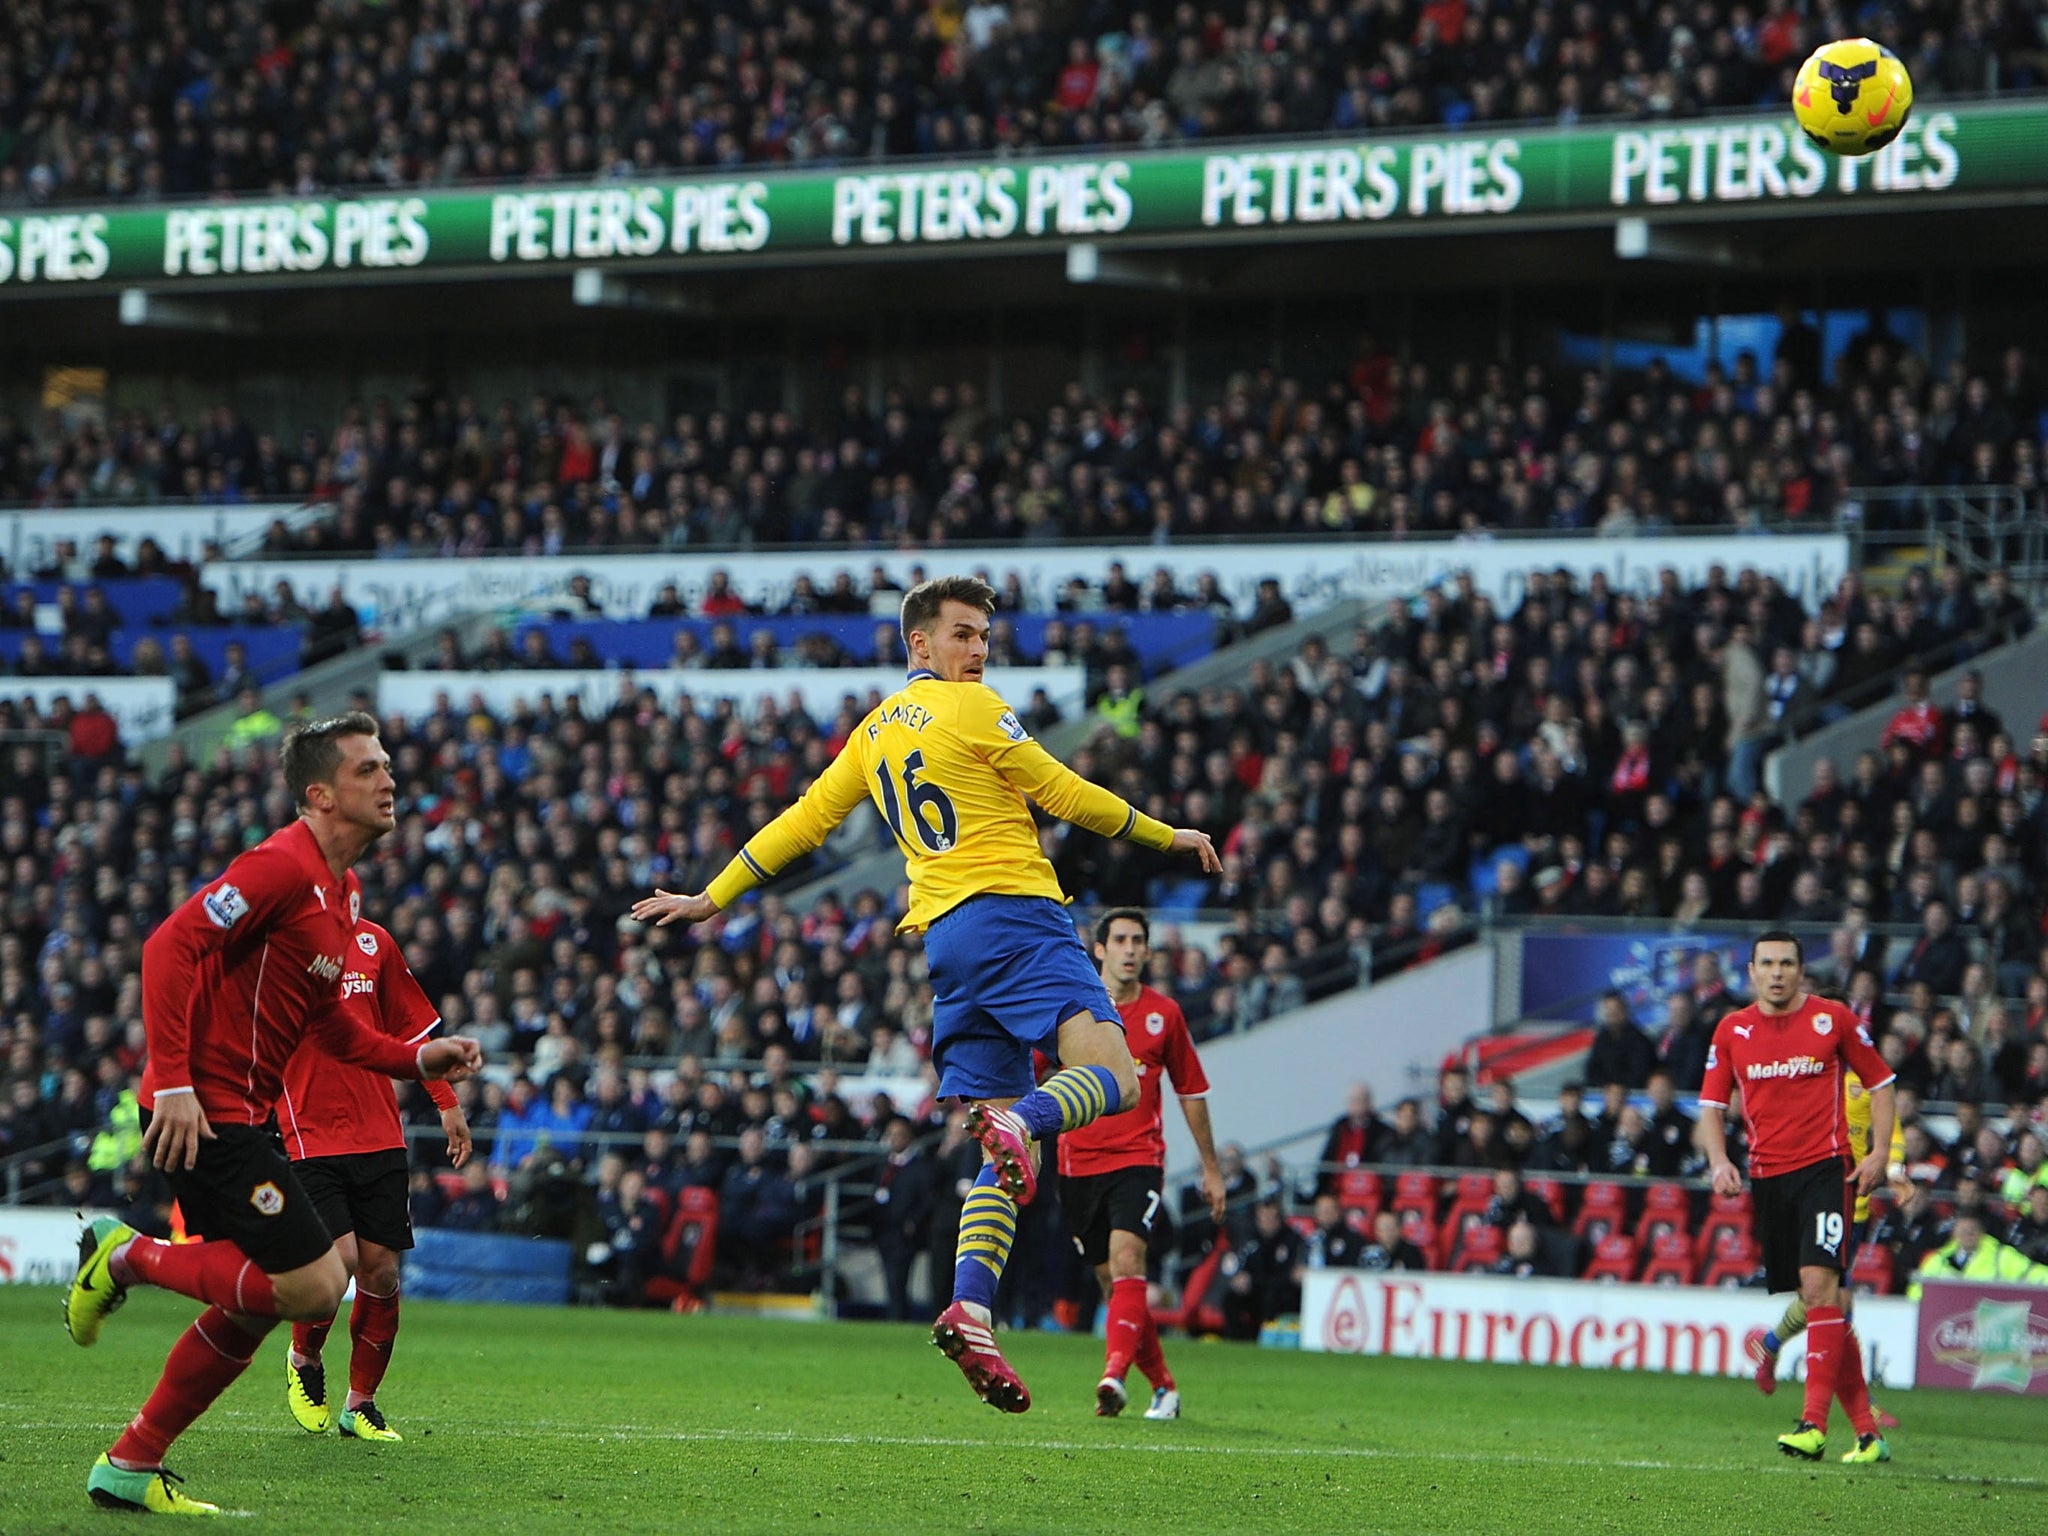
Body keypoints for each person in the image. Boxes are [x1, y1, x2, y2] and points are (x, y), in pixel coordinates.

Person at [632, 576, 1220, 1412]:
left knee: (1004, 1165)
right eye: (962, 635)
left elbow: (803, 821)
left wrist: (712, 895)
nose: (978, 650)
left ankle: (971, 1308)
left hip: (946, 947)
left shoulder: (873, 734)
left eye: (984, 636)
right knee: (1116, 1078)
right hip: (1016, 914)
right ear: (919, 645)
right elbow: (1063, 792)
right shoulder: (975, 711)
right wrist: (1165, 833)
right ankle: (1023, 1122)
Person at [62, 714, 483, 1515]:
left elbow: (328, 1025)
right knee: (318, 1284)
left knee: (262, 1298)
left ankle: (129, 1465)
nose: (389, 779)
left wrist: (413, 1058)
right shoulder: (280, 868)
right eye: (367, 769)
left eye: (388, 764)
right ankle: (124, 1257)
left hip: (237, 1113)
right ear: (320, 794)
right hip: (204, 1110)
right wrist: (175, 1080)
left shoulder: (342, 892)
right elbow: (167, 947)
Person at [276, 915, 476, 1443]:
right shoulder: (277, 943)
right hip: (309, 1134)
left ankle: (360, 1404)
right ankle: (304, 1357)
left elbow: (412, 1032)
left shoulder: (374, 941)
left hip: (379, 1135)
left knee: (382, 1273)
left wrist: (447, 1103)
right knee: (335, 1266)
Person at [1699, 931, 1895, 1465]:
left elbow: (1881, 1083)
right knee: (1820, 1300)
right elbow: (1712, 1105)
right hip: (1769, 1179)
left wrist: (1879, 1154)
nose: (1778, 972)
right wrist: (1719, 1162)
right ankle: (1869, 1433)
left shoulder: (1834, 1019)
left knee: (1817, 1284)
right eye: (1767, 963)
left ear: (1801, 970)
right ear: (1752, 972)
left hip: (1826, 1171)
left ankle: (1812, 1424)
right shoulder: (1732, 1030)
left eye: (1787, 962)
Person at [1058, 907, 1225, 1421]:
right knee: (1113, 1286)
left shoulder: (1164, 1015)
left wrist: (1211, 1168)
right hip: (1078, 1164)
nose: (1131, 949)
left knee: (1130, 1261)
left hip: (1138, 1159)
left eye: (1139, 941)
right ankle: (1165, 1388)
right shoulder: (1073, 1014)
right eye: (1121, 940)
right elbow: (1034, 1074)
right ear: (1101, 950)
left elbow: (1191, 1092)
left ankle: (1113, 1375)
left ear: (1148, 951)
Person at [1747, 1051, 1907, 1428]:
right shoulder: (1797, 1079)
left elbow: (1893, 1133)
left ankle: (1771, 1347)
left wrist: (1895, 1170)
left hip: (1853, 1207)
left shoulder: (1864, 1084)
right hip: (1809, 1201)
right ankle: (1859, 1411)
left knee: (1830, 1302)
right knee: (1833, 1303)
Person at [1906, 1211, 2048, 1297]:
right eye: (1963, 1231)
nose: (1968, 1235)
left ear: (1981, 1233)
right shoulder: (1937, 1260)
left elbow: (2035, 1274)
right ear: (1954, 1233)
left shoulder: (2001, 1256)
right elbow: (1917, 1290)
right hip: (1947, 1325)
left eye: (1972, 1231)